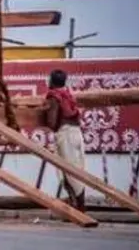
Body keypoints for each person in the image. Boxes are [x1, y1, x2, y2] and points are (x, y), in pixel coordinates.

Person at [44, 68, 85, 210]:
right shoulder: (68, 95)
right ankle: (77, 205)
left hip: (65, 134)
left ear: (52, 81)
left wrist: (44, 115)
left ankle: (80, 207)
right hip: (76, 133)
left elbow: (52, 122)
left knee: (68, 171)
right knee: (76, 169)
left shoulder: (54, 96)